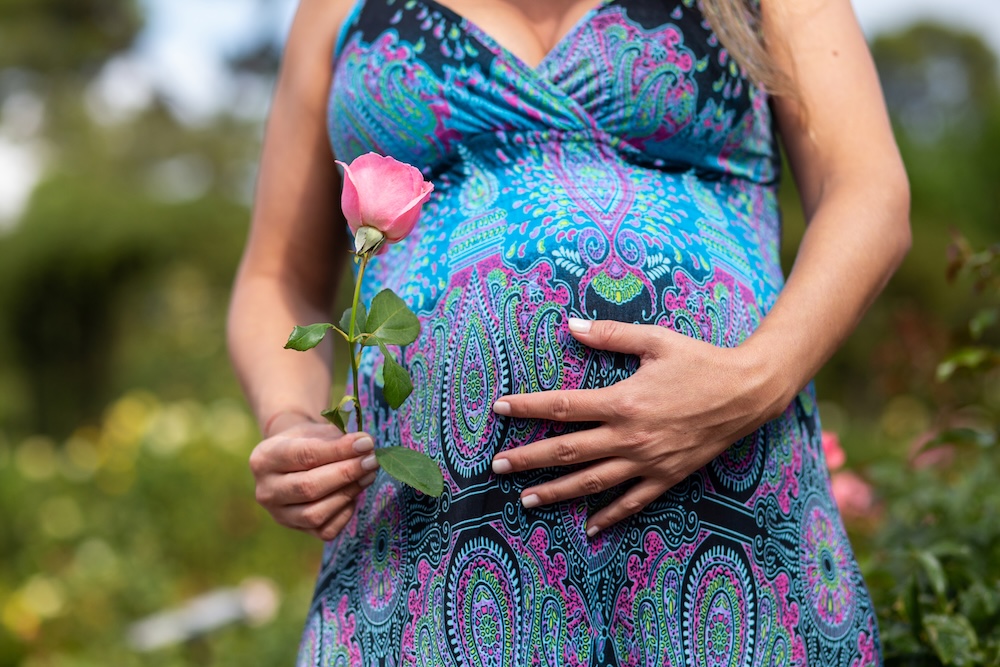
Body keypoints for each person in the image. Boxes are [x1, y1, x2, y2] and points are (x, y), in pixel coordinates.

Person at [227, 0, 910, 663]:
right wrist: (289, 420)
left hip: (730, 527)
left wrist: (754, 378)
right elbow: (276, 275)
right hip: (423, 555)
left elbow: (868, 191)